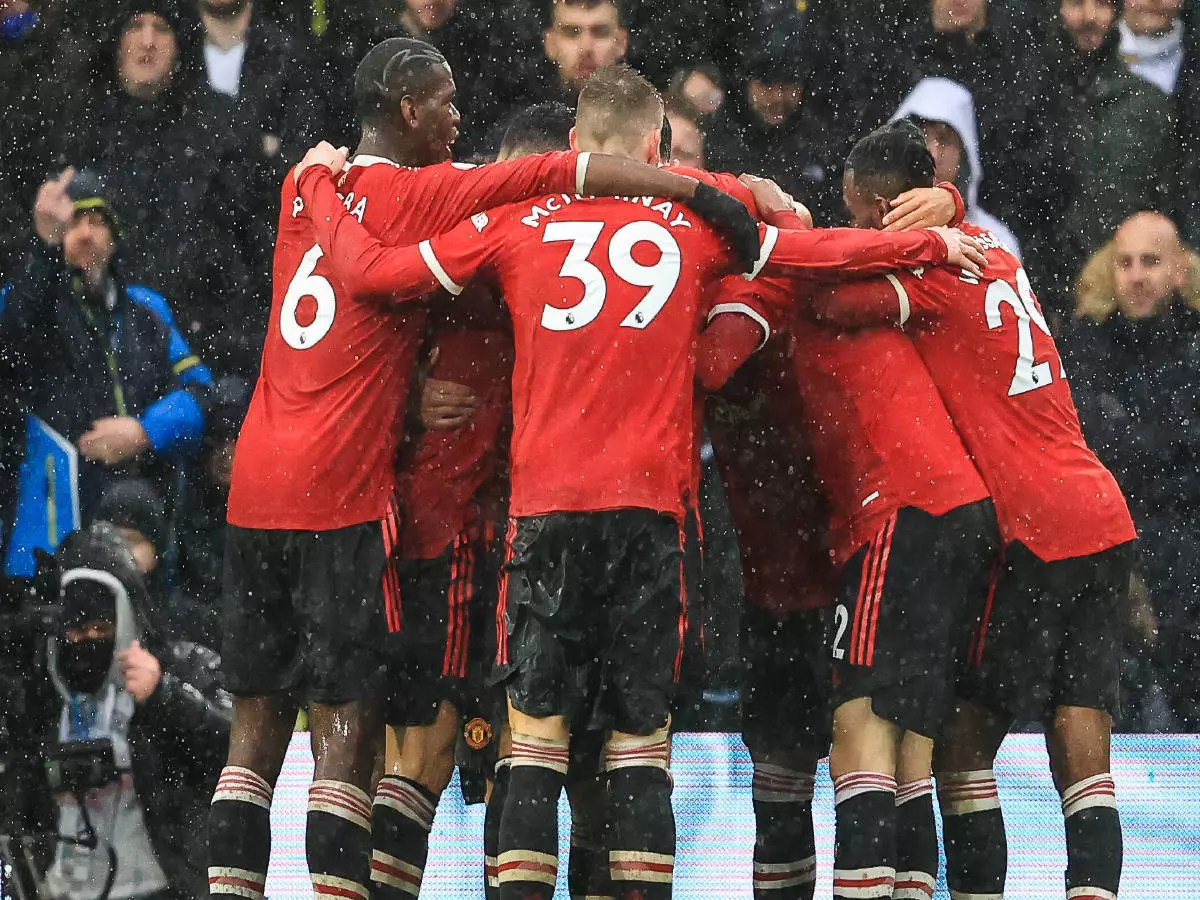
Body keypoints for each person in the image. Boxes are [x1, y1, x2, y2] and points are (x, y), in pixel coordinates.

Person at [292, 61, 982, 900]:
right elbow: (798, 240)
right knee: (637, 752)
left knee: (536, 747)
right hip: (652, 519)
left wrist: (319, 192)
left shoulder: (516, 224)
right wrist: (936, 233)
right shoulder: (696, 222)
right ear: (656, 147)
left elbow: (378, 278)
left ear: (579, 146)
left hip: (544, 518)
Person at [208, 35, 767, 900]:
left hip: (510, 530)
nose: (463, 128)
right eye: (448, 106)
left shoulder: (397, 211)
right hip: (467, 535)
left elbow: (354, 304)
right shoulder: (474, 223)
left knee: (537, 753)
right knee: (456, 749)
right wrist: (730, 197)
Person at [811, 120, 1138, 900]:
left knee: (956, 748)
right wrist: (950, 201)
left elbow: (821, 291)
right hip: (1099, 509)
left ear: (887, 207)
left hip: (1029, 524)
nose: (857, 230)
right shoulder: (999, 253)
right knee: (1083, 750)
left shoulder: (925, 277)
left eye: (861, 214)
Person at [58, 0, 265, 379]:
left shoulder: (219, 127)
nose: (148, 41)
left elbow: (250, 250)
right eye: (136, 26)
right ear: (117, 40)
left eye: (162, 28)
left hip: (205, 346)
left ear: (182, 42)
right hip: (97, 353)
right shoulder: (77, 125)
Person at [0, 170, 214, 528]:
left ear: (115, 238)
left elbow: (202, 391)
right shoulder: (27, 301)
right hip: (50, 519)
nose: (85, 233)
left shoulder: (147, 309)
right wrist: (44, 249)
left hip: (140, 517)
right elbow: (9, 343)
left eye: (97, 222)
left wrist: (145, 432)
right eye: (73, 224)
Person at [42, 521, 230, 900]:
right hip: (68, 888)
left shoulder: (182, 666)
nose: (87, 641)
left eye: (100, 626)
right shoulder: (47, 695)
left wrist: (163, 695)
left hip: (165, 884)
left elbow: (235, 746)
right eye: (76, 631)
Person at [1066, 211, 1200, 730]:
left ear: (1180, 270)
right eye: (1124, 262)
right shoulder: (1083, 346)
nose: (1136, 275)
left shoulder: (1190, 351)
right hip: (1105, 548)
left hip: (1181, 549)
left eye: (1150, 261)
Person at [1041, 0, 1179, 310]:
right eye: (1077, 3)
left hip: (1124, 305)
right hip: (1032, 292)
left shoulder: (1148, 106)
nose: (1090, 17)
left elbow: (1172, 208)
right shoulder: (1023, 102)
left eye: (1102, 4)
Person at [892, 76, 1022, 259]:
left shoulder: (995, 242)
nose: (932, 154)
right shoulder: (870, 226)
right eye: (919, 136)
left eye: (944, 140)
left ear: (964, 154)